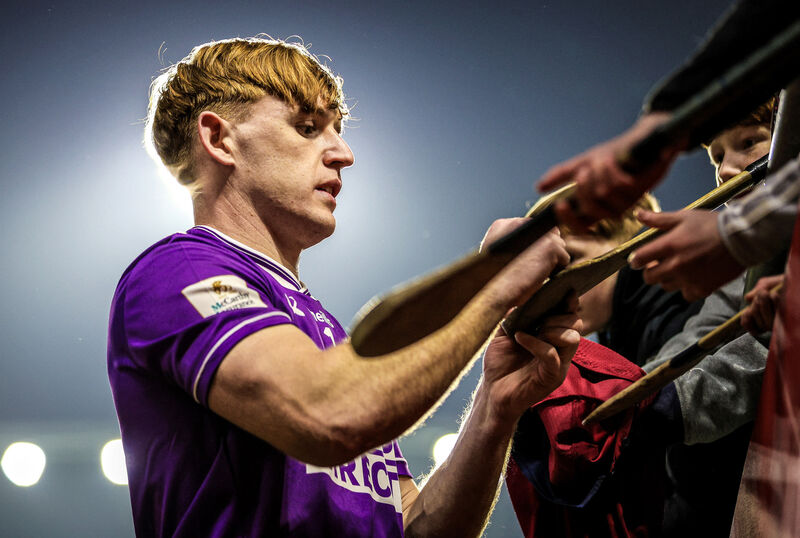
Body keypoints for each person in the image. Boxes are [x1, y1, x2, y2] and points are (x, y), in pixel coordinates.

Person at [107, 36, 582, 537]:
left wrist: (493, 405)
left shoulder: (325, 333)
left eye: (337, 130)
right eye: (307, 127)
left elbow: (418, 530)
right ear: (219, 139)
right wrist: (492, 289)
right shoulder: (179, 273)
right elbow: (331, 415)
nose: (344, 153)